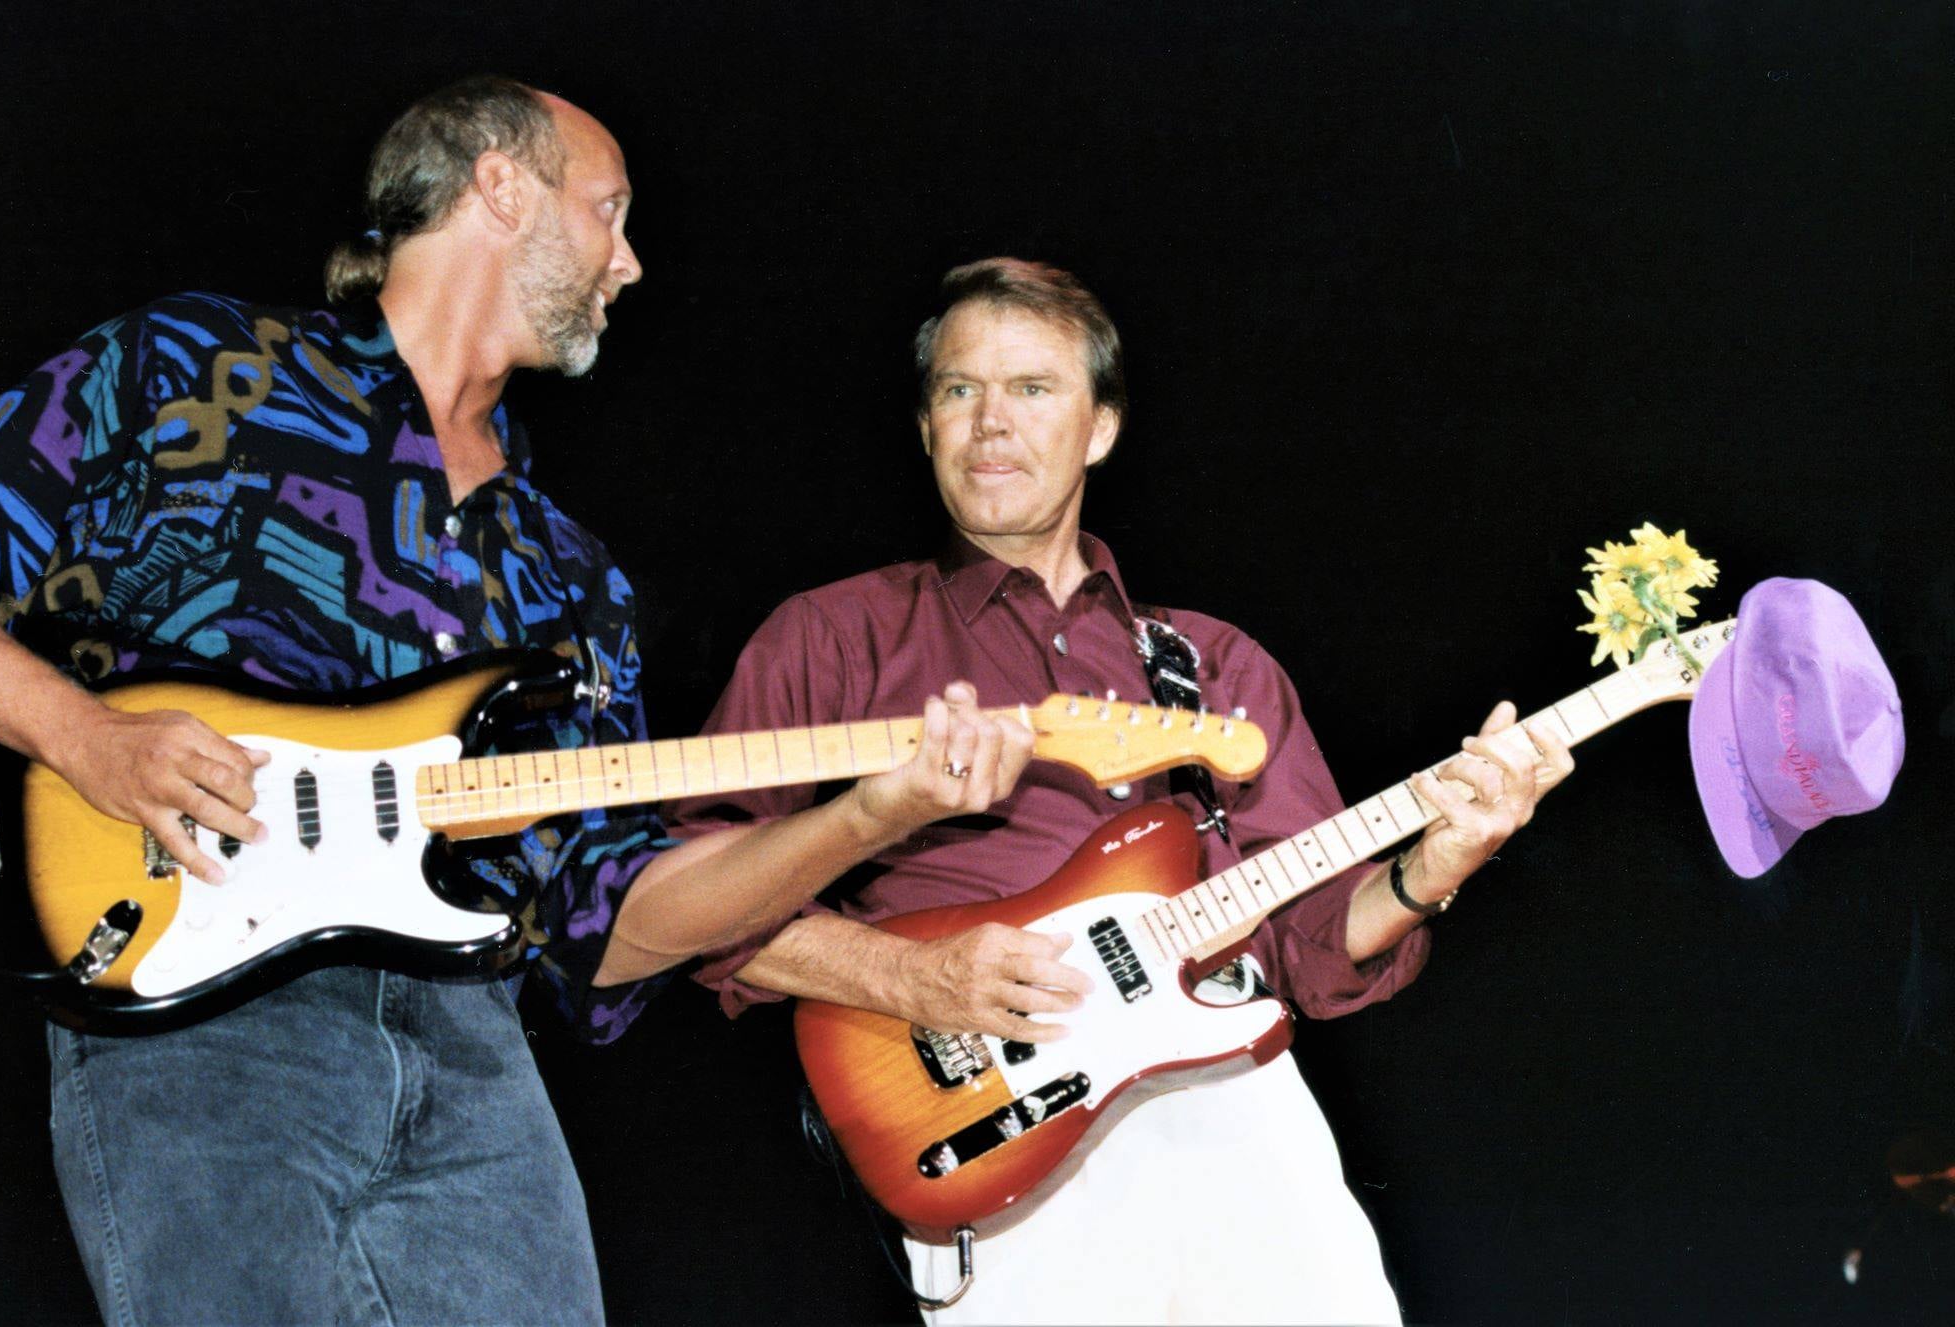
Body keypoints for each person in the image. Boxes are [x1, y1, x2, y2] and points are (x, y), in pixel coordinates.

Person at [0, 79, 1027, 1326]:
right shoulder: (195, 373)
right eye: (609, 212)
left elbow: (615, 915)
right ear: (501, 185)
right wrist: (86, 738)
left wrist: (868, 816)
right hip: (204, 1027)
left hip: (475, 1057)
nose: (631, 261)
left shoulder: (571, 576)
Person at [667, 258, 1576, 1325]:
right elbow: (694, 897)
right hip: (1001, 1124)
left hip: (1233, 1102)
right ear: (923, 427)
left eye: (1032, 390)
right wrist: (908, 979)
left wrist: (1435, 865)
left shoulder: (1212, 666)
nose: (989, 423)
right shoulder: (832, 635)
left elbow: (1313, 950)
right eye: (958, 391)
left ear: (1099, 428)